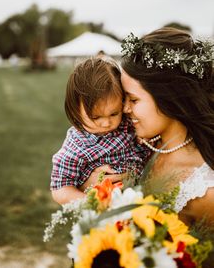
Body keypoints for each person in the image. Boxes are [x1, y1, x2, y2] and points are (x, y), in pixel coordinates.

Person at [83, 28, 214, 226]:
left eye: (133, 99)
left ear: (168, 98)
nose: (125, 108)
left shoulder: (204, 193)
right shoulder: (139, 146)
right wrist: (94, 184)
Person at [50, 57, 149, 204]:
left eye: (114, 113)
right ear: (75, 110)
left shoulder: (128, 124)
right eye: (95, 117)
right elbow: (60, 189)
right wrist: (93, 203)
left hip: (139, 196)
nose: (106, 123)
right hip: (104, 209)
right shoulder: (77, 146)